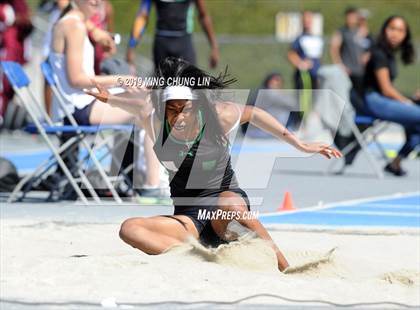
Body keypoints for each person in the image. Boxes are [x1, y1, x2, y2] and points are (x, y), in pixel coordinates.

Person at [86, 57, 342, 272]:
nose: (179, 117)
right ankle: (197, 254)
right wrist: (108, 97)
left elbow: (255, 113)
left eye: (184, 109)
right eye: (172, 110)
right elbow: (137, 97)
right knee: (130, 229)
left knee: (227, 204)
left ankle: (283, 266)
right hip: (189, 218)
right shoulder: (155, 119)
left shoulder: (219, 116)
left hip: (225, 203)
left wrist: (300, 144)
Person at [50, 0, 160, 192]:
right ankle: (152, 185)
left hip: (84, 102)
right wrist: (120, 79)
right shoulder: (73, 26)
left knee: (148, 97)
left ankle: (136, 178)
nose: (97, 1)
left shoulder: (77, 21)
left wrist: (97, 33)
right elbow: (76, 79)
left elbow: (87, 24)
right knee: (150, 107)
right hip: (78, 109)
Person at [363, 15, 419, 176]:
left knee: (417, 127)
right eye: (392, 28)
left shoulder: (389, 54)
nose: (395, 34)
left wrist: (413, 99)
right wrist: (407, 102)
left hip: (381, 99)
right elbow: (386, 89)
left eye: (400, 30)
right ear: (384, 30)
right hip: (373, 101)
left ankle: (395, 163)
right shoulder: (378, 52)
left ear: (405, 35)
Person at [126, 0, 219, 70]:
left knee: (190, 89)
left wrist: (214, 47)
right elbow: (142, 16)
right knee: (162, 91)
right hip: (162, 46)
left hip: (184, 44)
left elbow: (203, 15)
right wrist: (131, 46)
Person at [330, 7, 369, 95]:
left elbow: (368, 45)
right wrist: (340, 66)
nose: (351, 19)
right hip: (347, 71)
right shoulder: (341, 31)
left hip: (360, 71)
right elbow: (334, 49)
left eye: (354, 17)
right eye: (349, 17)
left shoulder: (361, 31)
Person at [287, 10, 323, 90]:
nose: (307, 21)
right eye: (305, 19)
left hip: (316, 76)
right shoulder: (300, 38)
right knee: (304, 101)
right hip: (305, 76)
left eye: (309, 19)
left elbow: (318, 57)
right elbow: (291, 54)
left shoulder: (317, 38)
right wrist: (301, 63)